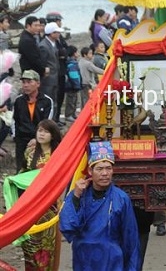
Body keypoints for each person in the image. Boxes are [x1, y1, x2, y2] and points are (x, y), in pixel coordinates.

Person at [59, 141, 140, 270]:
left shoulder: (121, 198)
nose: (105, 173)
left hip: (111, 259)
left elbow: (130, 239)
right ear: (90, 171)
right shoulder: (80, 195)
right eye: (100, 169)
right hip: (84, 259)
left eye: (108, 168)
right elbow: (68, 227)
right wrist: (76, 196)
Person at [3, 119, 62, 271]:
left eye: (46, 131)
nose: (41, 134)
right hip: (29, 204)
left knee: (47, 246)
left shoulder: (58, 155)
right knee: (29, 245)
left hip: (49, 206)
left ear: (53, 135)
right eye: (39, 131)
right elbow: (23, 173)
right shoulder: (30, 152)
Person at [12, 70, 53, 173]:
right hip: (22, 139)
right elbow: (15, 120)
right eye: (24, 82)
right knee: (21, 168)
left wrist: (37, 138)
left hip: (40, 140)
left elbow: (47, 123)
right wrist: (16, 137)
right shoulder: (19, 101)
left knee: (37, 168)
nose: (26, 85)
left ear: (38, 83)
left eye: (29, 82)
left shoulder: (47, 101)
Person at [64, 46, 81, 122]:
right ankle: (69, 114)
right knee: (71, 100)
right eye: (77, 52)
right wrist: (76, 84)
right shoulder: (72, 64)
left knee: (74, 100)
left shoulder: (73, 62)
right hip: (72, 85)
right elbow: (73, 75)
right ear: (74, 53)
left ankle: (73, 113)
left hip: (74, 85)